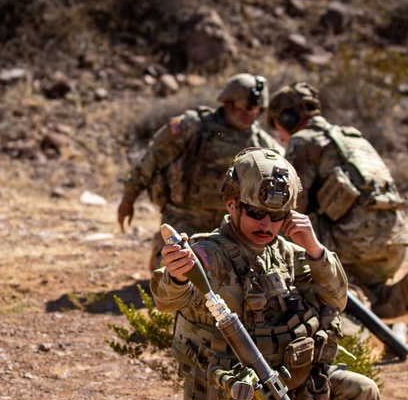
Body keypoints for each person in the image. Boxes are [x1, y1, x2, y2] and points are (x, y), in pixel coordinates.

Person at [149, 147, 408, 400]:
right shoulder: (209, 253)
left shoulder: (288, 253)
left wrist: (316, 249)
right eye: (257, 213)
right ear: (232, 204)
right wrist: (177, 274)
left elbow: (336, 297)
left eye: (278, 216)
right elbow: (168, 299)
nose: (267, 224)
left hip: (292, 384)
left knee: (360, 393)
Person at [266, 81, 408, 331]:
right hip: (396, 241)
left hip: (352, 243)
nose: (280, 137)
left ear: (288, 118)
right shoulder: (352, 136)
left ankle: (353, 303)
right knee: (368, 284)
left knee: (297, 238)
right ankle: (400, 295)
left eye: (278, 127)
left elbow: (291, 202)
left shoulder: (302, 142)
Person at [117, 73, 284, 273]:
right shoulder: (192, 126)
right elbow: (151, 160)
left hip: (234, 225)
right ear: (228, 102)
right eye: (246, 107)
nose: (251, 113)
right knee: (175, 274)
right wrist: (128, 199)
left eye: (257, 109)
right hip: (185, 218)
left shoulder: (265, 145)